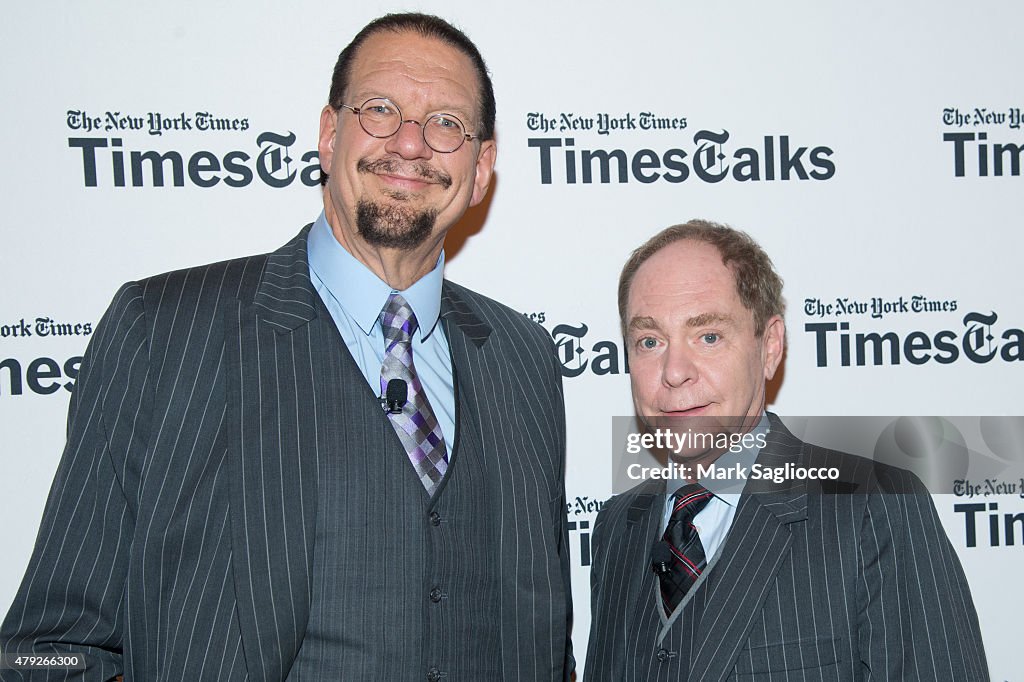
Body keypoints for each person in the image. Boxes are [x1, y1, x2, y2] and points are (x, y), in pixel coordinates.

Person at [1, 13, 573, 681]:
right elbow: (49, 649)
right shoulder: (164, 332)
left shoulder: (524, 360)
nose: (411, 144)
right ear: (330, 137)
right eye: (380, 109)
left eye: (447, 123)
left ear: (481, 170)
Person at [584, 220, 988, 680]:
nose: (674, 371)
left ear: (770, 346)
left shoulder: (874, 508)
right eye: (650, 342)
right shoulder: (618, 525)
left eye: (708, 336)